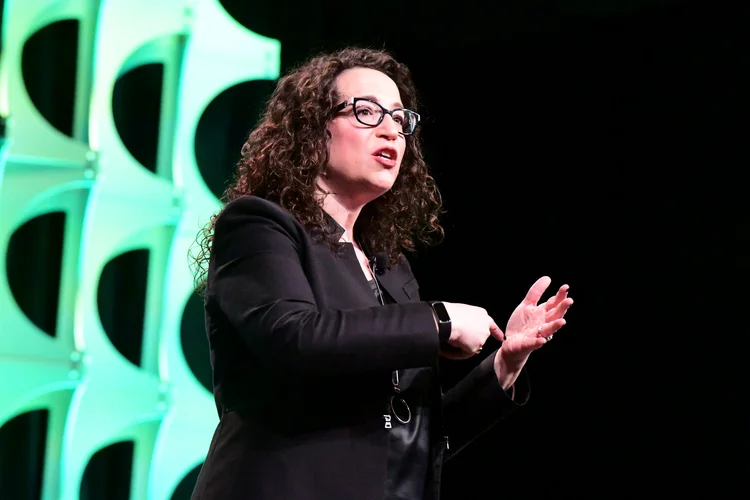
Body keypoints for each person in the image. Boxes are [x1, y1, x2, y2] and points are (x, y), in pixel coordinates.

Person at [188, 46, 573, 500]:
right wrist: (439, 320)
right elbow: (294, 337)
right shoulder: (258, 225)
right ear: (313, 128)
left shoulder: (388, 266)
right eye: (367, 112)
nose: (391, 129)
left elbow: (411, 434)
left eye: (399, 117)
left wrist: (504, 365)